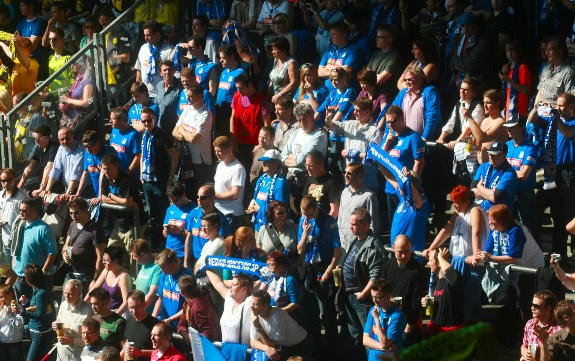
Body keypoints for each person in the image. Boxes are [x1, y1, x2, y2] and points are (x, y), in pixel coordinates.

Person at [297, 195, 341, 359]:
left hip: (324, 268)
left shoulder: (328, 221)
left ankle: (332, 351)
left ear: (315, 209)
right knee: (311, 314)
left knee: (326, 313)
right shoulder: (304, 221)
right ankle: (316, 350)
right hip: (309, 270)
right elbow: (300, 250)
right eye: (303, 213)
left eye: (308, 214)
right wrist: (304, 234)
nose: (305, 217)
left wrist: (329, 270)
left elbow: (338, 250)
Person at [341, 208, 387, 359]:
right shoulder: (357, 240)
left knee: (368, 335)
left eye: (354, 224)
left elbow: (376, 274)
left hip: (363, 299)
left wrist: (363, 294)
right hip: (350, 295)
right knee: (354, 332)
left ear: (365, 225)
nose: (350, 227)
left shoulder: (373, 244)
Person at [100, 153, 148, 274]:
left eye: (109, 169)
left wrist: (113, 197)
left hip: (134, 223)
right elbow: (103, 198)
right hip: (118, 223)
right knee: (110, 251)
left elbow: (127, 201)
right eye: (104, 168)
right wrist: (119, 200)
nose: (106, 172)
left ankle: (134, 281)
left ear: (116, 167)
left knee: (134, 256)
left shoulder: (126, 179)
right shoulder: (106, 177)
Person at [139, 107, 179, 248]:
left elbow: (175, 155)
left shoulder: (161, 135)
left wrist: (170, 177)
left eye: (149, 120)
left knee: (163, 213)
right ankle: (155, 241)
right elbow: (142, 156)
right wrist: (140, 174)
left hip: (160, 181)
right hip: (146, 181)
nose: (146, 123)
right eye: (143, 121)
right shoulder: (143, 135)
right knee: (153, 214)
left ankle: (165, 241)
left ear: (154, 119)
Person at [435, 76, 485, 186]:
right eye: (461, 89)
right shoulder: (458, 104)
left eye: (466, 89)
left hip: (473, 148)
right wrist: (441, 138)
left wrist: (458, 140)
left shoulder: (478, 106)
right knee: (461, 176)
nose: (462, 92)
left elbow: (469, 127)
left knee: (472, 175)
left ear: (474, 92)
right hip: (463, 146)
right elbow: (450, 122)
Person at [381, 105, 426, 224]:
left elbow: (419, 162)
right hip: (390, 187)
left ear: (402, 119)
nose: (390, 125)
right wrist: (387, 143)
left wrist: (412, 184)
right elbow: (380, 159)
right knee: (394, 223)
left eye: (393, 122)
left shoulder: (413, 137)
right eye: (387, 122)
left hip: (406, 190)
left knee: (407, 223)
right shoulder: (389, 136)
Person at [326, 98, 382, 191]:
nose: (354, 112)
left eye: (357, 110)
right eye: (354, 109)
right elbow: (331, 126)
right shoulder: (350, 124)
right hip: (350, 178)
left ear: (367, 111)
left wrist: (356, 154)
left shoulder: (375, 131)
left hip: (367, 179)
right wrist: (328, 117)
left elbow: (376, 156)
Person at [381, 235, 427, 346]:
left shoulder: (417, 270)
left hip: (408, 321)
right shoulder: (388, 265)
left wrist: (409, 325)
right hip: (390, 319)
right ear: (393, 249)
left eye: (407, 251)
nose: (404, 255)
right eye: (400, 252)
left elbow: (417, 301)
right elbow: (381, 288)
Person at [424, 185, 488, 264]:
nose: (453, 205)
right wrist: (431, 248)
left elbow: (476, 233)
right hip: (458, 260)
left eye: (457, 202)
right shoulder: (458, 212)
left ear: (467, 201)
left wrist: (475, 255)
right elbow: (446, 230)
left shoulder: (475, 210)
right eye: (453, 202)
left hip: (471, 262)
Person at [12, 198, 58, 303]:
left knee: (39, 308)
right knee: (21, 308)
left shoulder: (44, 229)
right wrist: (14, 262)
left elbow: (52, 252)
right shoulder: (20, 225)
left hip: (37, 278)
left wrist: (42, 272)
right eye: (20, 210)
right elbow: (15, 245)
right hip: (20, 275)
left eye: (24, 210)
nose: (21, 213)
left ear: (33, 211)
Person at [172, 83, 213, 194]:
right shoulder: (188, 109)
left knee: (199, 191)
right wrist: (184, 133)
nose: (187, 98)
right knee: (187, 189)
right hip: (186, 158)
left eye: (190, 96)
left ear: (199, 96)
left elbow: (193, 139)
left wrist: (182, 130)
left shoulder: (205, 114)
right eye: (187, 95)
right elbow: (174, 132)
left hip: (201, 160)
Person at [504, 114, 540, 241]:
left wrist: (506, 176)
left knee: (529, 228)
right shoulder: (506, 146)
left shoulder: (530, 148)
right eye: (507, 127)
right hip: (507, 193)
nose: (508, 130)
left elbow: (524, 175)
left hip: (524, 193)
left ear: (521, 128)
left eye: (511, 127)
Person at [250, 290, 312, 360]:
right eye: (251, 303)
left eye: (255, 304)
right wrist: (265, 348)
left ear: (266, 305)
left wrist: (258, 326)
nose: (251, 307)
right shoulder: (254, 314)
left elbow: (272, 344)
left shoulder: (277, 315)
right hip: (285, 346)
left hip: (301, 345)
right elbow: (253, 342)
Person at [477, 204, 544, 268]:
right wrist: (480, 257)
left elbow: (513, 258)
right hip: (513, 268)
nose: (489, 222)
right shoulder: (495, 228)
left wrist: (489, 258)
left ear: (502, 220)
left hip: (530, 266)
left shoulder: (516, 231)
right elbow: (487, 251)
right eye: (489, 219)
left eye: (492, 220)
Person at [62, 197, 106, 292]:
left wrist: (95, 280)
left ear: (85, 211)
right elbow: (66, 244)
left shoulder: (95, 230)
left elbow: (100, 257)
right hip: (72, 274)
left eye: (76, 213)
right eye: (71, 213)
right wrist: (65, 254)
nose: (73, 216)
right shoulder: (72, 225)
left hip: (87, 277)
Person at [230, 74, 272, 170]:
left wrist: (261, 145)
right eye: (237, 88)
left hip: (255, 145)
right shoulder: (236, 96)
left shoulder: (262, 100)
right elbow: (232, 118)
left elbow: (267, 125)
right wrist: (233, 141)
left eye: (241, 88)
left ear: (250, 86)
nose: (239, 91)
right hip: (239, 142)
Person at [421, 248, 465, 337]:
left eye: (430, 261)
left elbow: (448, 271)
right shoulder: (436, 281)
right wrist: (427, 302)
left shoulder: (454, 278)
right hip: (437, 331)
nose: (428, 264)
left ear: (439, 263)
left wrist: (440, 257)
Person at [337, 163, 380, 250]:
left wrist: (368, 244)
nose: (345, 175)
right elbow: (340, 217)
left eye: (349, 173)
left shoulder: (369, 196)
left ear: (359, 175)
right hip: (342, 243)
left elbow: (374, 224)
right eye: (344, 172)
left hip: (359, 246)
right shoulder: (344, 192)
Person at [363, 278, 407, 361]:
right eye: (372, 297)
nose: (374, 301)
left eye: (377, 297)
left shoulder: (397, 316)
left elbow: (384, 343)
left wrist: (377, 319)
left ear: (388, 296)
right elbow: (365, 340)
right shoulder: (373, 310)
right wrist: (385, 349)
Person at [19, 264, 56, 361]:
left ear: (28, 280)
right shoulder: (40, 290)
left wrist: (21, 311)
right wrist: (26, 302)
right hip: (36, 331)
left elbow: (39, 314)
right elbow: (39, 307)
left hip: (39, 333)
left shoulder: (40, 294)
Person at [248, 149, 291, 232]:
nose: (262, 164)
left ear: (276, 164)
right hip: (258, 225)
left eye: (266, 161)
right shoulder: (262, 178)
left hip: (271, 229)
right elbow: (256, 196)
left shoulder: (281, 184)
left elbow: (280, 209)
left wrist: (260, 209)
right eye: (262, 161)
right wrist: (252, 203)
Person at [176, 275, 220, 353]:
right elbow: (181, 324)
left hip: (207, 351)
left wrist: (192, 338)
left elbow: (210, 334)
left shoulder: (198, 309)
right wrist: (186, 335)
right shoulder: (188, 303)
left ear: (181, 292)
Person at [471, 141, 518, 212]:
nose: (491, 157)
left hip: (499, 216)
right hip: (481, 211)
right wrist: (489, 193)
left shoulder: (509, 174)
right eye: (490, 154)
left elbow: (495, 198)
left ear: (504, 155)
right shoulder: (484, 166)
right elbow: (472, 190)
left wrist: (480, 187)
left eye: (495, 155)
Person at [207, 273, 253, 346]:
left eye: (234, 285)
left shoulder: (250, 303)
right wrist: (206, 267)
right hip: (225, 351)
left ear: (244, 289)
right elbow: (217, 283)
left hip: (241, 354)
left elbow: (260, 291)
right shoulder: (229, 299)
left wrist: (264, 280)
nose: (230, 286)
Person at [53, 279, 93, 360]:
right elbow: (59, 322)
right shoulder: (63, 305)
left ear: (79, 294)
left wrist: (73, 341)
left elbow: (92, 338)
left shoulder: (88, 309)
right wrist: (55, 325)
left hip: (77, 356)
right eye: (65, 293)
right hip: (61, 354)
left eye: (70, 294)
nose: (67, 296)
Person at [317, 22, 364, 92]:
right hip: (328, 92)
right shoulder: (330, 49)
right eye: (331, 35)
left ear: (343, 35)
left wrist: (329, 67)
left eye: (334, 34)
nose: (331, 37)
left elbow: (347, 69)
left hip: (346, 92)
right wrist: (338, 73)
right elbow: (319, 72)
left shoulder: (354, 50)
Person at [465, 89, 507, 164]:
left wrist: (470, 118)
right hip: (481, 166)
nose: (484, 105)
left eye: (488, 103)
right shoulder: (485, 120)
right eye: (484, 102)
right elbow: (478, 140)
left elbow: (482, 138)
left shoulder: (501, 122)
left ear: (497, 103)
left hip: (494, 167)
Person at [86, 246, 132, 316]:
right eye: (103, 260)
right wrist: (83, 304)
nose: (103, 262)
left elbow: (126, 302)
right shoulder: (106, 271)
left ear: (115, 262)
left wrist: (114, 317)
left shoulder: (123, 277)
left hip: (120, 313)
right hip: (105, 312)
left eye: (106, 260)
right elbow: (93, 289)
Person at [213, 136, 246, 232]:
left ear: (228, 150)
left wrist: (214, 195)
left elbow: (235, 194)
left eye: (219, 151)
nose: (216, 154)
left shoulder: (238, 168)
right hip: (218, 213)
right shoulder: (220, 165)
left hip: (231, 216)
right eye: (215, 151)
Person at [152, 249, 193, 327]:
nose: (161, 270)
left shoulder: (187, 278)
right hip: (166, 322)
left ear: (172, 264)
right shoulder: (164, 275)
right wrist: (153, 317)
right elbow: (160, 298)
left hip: (181, 324)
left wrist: (170, 320)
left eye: (163, 267)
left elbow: (189, 305)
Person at [135, 20, 174, 98]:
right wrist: (137, 91)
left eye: (148, 35)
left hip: (163, 95)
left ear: (157, 34)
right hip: (145, 96)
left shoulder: (169, 50)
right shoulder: (144, 48)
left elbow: (175, 74)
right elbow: (139, 71)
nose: (145, 38)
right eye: (144, 35)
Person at [41, 127, 84, 197]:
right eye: (62, 140)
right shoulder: (61, 148)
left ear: (73, 137)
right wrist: (47, 189)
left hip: (82, 190)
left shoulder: (81, 149)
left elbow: (76, 173)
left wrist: (68, 193)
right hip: (68, 189)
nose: (65, 141)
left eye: (67, 138)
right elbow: (55, 169)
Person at [256, 201, 299, 272]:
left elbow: (302, 255)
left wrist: (289, 270)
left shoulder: (295, 228)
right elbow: (259, 253)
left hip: (289, 273)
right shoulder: (263, 229)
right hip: (268, 274)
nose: (284, 216)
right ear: (271, 215)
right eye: (279, 213)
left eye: (284, 212)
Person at [75, 130, 117, 201]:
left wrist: (100, 195)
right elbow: (85, 173)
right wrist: (78, 193)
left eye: (90, 146)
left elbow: (103, 175)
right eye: (85, 146)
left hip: (110, 194)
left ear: (98, 143)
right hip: (97, 193)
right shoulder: (87, 153)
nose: (88, 149)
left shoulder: (108, 151)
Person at [519, 290, 560, 361]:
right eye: (532, 305)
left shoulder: (557, 329)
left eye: (536, 306)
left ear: (548, 309)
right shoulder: (530, 324)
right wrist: (525, 353)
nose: (532, 308)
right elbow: (524, 345)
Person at [215, 45, 246, 136]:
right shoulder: (224, 71)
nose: (221, 60)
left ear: (232, 57)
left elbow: (242, 95)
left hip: (230, 111)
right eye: (220, 58)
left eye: (223, 58)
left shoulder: (240, 73)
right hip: (219, 109)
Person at [18, 124, 58, 193]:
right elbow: (30, 167)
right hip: (45, 180)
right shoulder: (39, 148)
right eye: (34, 139)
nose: (36, 142)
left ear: (47, 137)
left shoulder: (53, 147)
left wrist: (41, 188)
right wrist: (19, 186)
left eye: (38, 139)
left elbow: (48, 168)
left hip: (56, 183)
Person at [163, 182, 196, 264]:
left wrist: (180, 231)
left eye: (176, 200)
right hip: (169, 253)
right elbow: (164, 234)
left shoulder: (194, 210)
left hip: (184, 255)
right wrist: (167, 230)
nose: (174, 203)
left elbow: (195, 236)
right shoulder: (170, 209)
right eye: (171, 201)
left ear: (184, 195)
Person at [0, 168, 27, 264]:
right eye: (3, 181)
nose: (5, 183)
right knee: (11, 269)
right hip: (5, 237)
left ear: (14, 179)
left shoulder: (22, 196)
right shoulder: (0, 195)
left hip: (19, 239)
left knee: (19, 268)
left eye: (8, 180)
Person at [367, 25, 402, 100]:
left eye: (380, 37)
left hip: (384, 97)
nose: (376, 39)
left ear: (390, 39)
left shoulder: (395, 57)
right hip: (370, 95)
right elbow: (365, 76)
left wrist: (371, 77)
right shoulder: (375, 54)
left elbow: (378, 81)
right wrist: (373, 76)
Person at [303, 150, 341, 219]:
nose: (307, 169)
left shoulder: (331, 182)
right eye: (306, 165)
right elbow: (304, 204)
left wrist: (327, 226)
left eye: (310, 166)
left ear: (320, 165)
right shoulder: (309, 179)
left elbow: (334, 209)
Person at [500, 39, 532, 120]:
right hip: (507, 104)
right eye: (507, 51)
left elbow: (525, 90)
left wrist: (508, 80)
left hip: (519, 106)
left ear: (518, 52)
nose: (509, 53)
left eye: (512, 51)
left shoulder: (522, 67)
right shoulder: (507, 67)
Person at [122, 290, 158, 361]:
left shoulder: (155, 325)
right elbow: (127, 344)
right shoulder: (129, 321)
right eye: (131, 307)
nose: (134, 311)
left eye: (137, 307)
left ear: (144, 304)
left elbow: (162, 352)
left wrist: (140, 353)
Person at [58, 57, 93, 128]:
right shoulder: (79, 78)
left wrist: (68, 100)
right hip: (70, 118)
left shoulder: (88, 79)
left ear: (81, 65)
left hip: (78, 120)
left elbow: (86, 103)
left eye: (74, 63)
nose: (72, 66)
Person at [130, 239, 161, 314]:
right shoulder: (143, 264)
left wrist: (139, 310)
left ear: (143, 255)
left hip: (148, 313)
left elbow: (152, 294)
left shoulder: (157, 267)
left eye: (135, 256)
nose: (133, 258)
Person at [109, 107, 142, 174]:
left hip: (129, 175)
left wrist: (128, 172)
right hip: (115, 173)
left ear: (121, 120)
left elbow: (138, 156)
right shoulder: (114, 130)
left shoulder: (133, 135)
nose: (110, 121)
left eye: (113, 119)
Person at [154, 60, 183, 135]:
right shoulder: (158, 86)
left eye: (170, 69)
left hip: (173, 129)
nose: (167, 72)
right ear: (160, 73)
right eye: (164, 70)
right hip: (159, 128)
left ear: (174, 71)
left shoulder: (181, 88)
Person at [268, 36, 298, 103]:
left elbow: (294, 83)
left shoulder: (290, 63)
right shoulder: (276, 60)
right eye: (272, 49)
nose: (272, 52)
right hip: (274, 99)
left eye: (275, 49)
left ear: (283, 50)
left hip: (286, 100)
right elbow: (272, 79)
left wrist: (279, 95)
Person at [0, 285, 24, 361]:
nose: (0, 299)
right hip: (2, 341)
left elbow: (19, 325)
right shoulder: (2, 308)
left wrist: (11, 314)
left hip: (14, 342)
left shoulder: (17, 308)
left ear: (10, 295)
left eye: (1, 297)